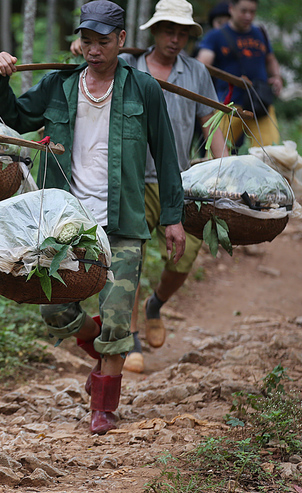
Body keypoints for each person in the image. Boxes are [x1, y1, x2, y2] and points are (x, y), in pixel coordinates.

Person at [0, 0, 185, 435]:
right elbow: (13, 118)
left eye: (103, 41)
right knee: (55, 311)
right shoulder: (58, 85)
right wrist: (0, 80)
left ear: (120, 41)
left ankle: (103, 406)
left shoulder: (143, 89)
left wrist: (173, 217)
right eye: (87, 41)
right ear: (79, 41)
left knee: (117, 322)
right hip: (67, 226)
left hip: (123, 224)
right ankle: (98, 345)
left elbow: (166, 156)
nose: (94, 50)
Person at [118, 0, 230, 373]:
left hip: (177, 180)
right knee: (128, 258)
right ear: (154, 31)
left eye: (183, 33)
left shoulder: (196, 72)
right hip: (132, 180)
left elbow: (211, 123)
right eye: (170, 30)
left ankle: (155, 306)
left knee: (185, 254)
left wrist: (225, 173)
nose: (176, 38)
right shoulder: (129, 67)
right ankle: (130, 337)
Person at [196, 0, 283, 149]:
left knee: (271, 152)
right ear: (231, 8)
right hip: (229, 105)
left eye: (252, 12)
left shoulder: (260, 33)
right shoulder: (216, 36)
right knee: (217, 153)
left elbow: (270, 59)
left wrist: (276, 76)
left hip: (260, 104)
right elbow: (201, 65)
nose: (248, 16)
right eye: (244, 11)